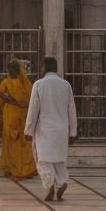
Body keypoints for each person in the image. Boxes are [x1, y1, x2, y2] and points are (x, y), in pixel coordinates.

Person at [24, 56, 78, 202]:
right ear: (56, 68)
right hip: (61, 130)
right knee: (59, 160)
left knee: (43, 160)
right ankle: (61, 182)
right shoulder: (65, 85)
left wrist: (28, 130)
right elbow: (71, 109)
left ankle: (49, 186)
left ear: (43, 69)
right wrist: (73, 132)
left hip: (44, 130)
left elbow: (33, 109)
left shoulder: (39, 84)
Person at [0, 60, 37, 181]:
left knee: (19, 142)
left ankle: (21, 170)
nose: (10, 72)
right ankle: (12, 168)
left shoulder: (19, 83)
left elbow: (0, 98)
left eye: (12, 70)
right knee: (11, 142)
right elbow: (0, 97)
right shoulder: (23, 83)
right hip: (13, 115)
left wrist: (7, 100)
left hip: (18, 116)